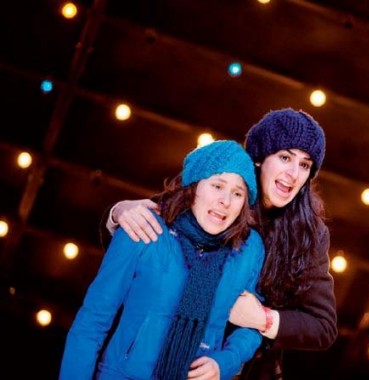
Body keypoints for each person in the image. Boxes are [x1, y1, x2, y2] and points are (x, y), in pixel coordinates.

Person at [103, 108, 338, 379]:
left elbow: (323, 326)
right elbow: (146, 227)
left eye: (305, 165)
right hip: (160, 352)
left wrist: (264, 318)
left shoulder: (310, 234)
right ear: (261, 157)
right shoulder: (223, 183)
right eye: (285, 157)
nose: (294, 173)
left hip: (247, 369)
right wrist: (118, 212)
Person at [60, 140, 265, 380]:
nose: (226, 201)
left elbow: (252, 323)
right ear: (194, 186)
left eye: (238, 193)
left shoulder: (248, 249)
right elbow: (91, 323)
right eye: (217, 185)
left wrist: (224, 363)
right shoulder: (143, 227)